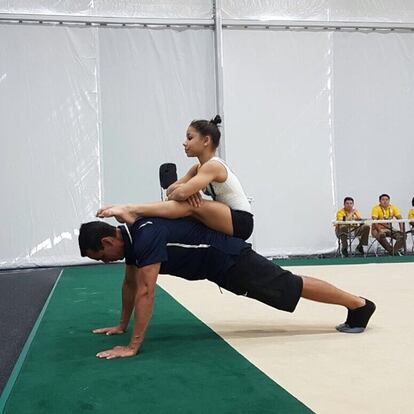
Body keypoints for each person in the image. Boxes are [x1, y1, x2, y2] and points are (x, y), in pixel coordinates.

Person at [78, 218, 376, 360]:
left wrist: (133, 346)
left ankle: (359, 305)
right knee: (287, 287)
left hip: (230, 259)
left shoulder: (144, 238)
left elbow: (145, 291)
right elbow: (130, 283)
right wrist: (121, 325)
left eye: (102, 256)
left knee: (289, 285)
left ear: (107, 241)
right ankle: (356, 304)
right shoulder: (130, 241)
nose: (106, 261)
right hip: (220, 268)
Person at [96, 115, 254, 241]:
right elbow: (170, 192)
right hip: (225, 217)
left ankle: (132, 210)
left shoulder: (213, 166)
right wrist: (185, 191)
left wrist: (185, 192)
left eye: (190, 138)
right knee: (185, 206)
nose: (184, 143)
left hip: (241, 222)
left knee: (191, 205)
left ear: (206, 141)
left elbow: (180, 195)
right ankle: (135, 213)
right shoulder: (197, 169)